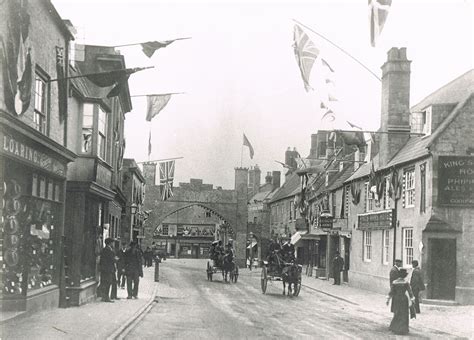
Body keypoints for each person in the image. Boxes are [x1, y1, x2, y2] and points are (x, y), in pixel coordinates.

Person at [386, 268, 415, 335]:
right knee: (404, 314)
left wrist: (388, 300)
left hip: (396, 299)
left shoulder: (395, 282)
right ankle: (403, 329)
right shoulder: (406, 282)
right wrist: (412, 299)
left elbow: (391, 292)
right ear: (404, 275)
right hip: (404, 299)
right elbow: (410, 292)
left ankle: (395, 328)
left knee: (397, 312)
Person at [98, 238, 116, 302]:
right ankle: (106, 297)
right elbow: (110, 259)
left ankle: (104, 297)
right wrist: (115, 259)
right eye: (112, 243)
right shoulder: (108, 250)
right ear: (110, 243)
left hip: (105, 269)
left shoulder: (105, 250)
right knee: (107, 283)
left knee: (105, 283)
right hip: (107, 269)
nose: (113, 244)